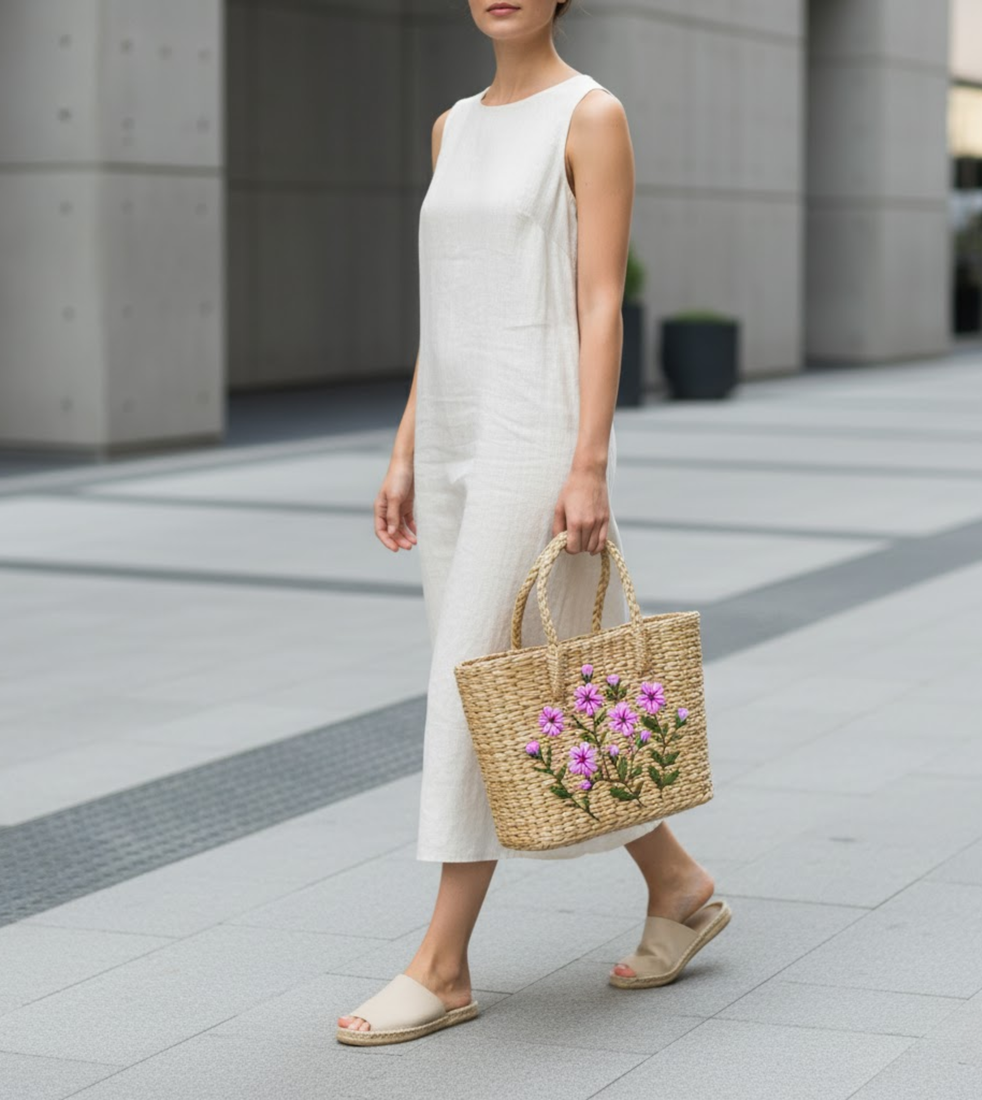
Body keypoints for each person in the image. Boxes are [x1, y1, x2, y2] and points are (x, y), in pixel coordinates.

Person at [338, 0, 729, 1046]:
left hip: (532, 436)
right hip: (460, 433)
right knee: (515, 692)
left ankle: (442, 962)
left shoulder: (589, 115)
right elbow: (448, 305)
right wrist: (408, 444)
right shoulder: (449, 125)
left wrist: (588, 462)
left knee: (471, 679)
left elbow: (599, 299)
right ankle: (678, 884)